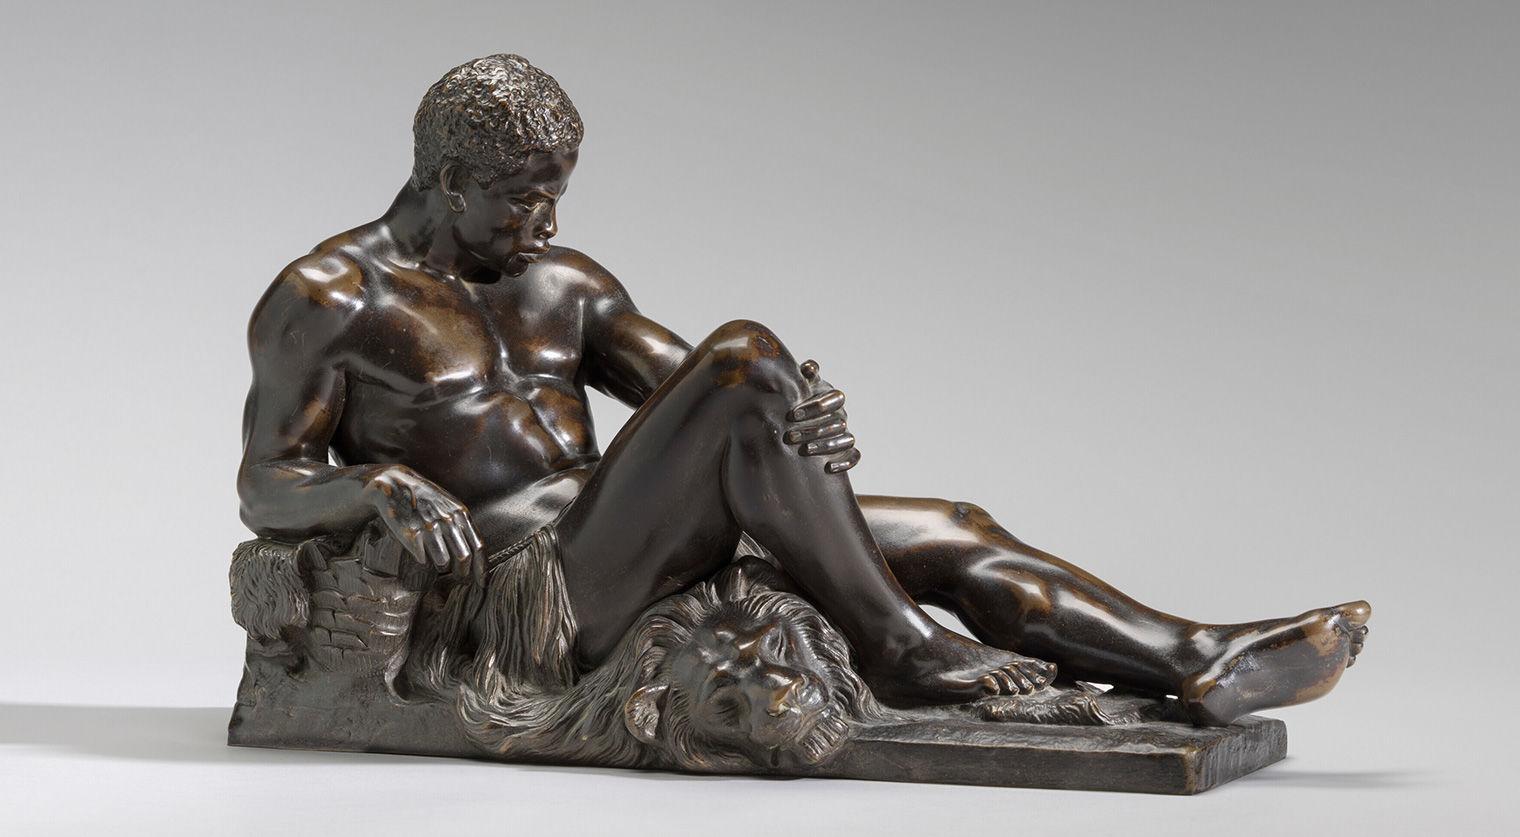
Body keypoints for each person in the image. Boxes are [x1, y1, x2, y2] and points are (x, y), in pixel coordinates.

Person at [237, 54, 1368, 721]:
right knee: (744, 357)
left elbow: (690, 393)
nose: (548, 221)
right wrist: (373, 484)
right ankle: (902, 648)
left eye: (557, 193)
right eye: (524, 199)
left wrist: (793, 409)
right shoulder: (330, 297)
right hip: (531, 599)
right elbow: (266, 481)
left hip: (635, 541)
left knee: (952, 525)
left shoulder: (562, 284)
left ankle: (1195, 659)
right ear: (448, 181)